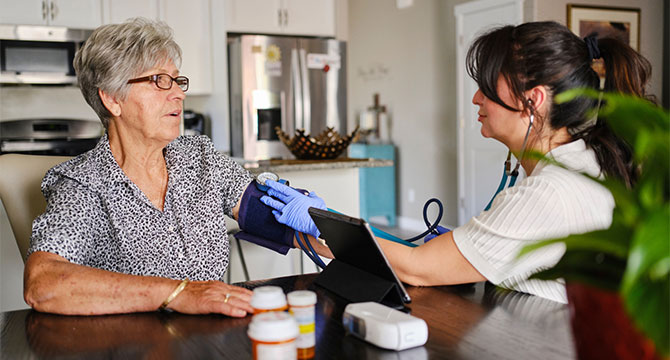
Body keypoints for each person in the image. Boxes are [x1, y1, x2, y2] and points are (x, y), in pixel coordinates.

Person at [260, 21, 653, 303]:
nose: (476, 100)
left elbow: (417, 268)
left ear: (532, 101)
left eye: (486, 87)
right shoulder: (584, 160)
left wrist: (318, 220)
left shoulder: (551, 190)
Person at [23, 18, 300, 316]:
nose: (179, 93)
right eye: (159, 80)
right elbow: (43, 284)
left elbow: (272, 216)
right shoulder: (84, 183)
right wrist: (177, 293)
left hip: (210, 341)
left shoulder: (200, 158)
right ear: (113, 99)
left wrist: (333, 232)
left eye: (177, 80)